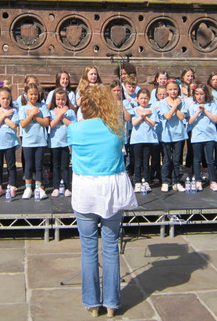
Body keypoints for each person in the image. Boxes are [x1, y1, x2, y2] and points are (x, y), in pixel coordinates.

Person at [68, 85, 137, 317]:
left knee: (88, 249)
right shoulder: (117, 128)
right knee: (110, 247)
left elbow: (73, 150)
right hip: (111, 189)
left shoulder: (75, 129)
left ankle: (92, 303)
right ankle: (111, 304)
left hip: (85, 189)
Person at [19, 83, 50, 199]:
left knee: (39, 165)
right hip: (28, 142)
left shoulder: (43, 107)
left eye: (35, 94)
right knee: (28, 165)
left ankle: (38, 186)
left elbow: (46, 122)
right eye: (31, 94)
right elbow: (23, 124)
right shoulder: (23, 108)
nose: (33, 97)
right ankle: (28, 188)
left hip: (40, 141)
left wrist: (35, 117)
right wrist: (31, 114)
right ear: (26, 95)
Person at [187, 83, 217, 191]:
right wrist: (198, 111)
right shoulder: (192, 106)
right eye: (197, 94)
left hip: (209, 136)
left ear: (206, 94)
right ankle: (197, 180)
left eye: (201, 94)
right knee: (197, 159)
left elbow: (215, 119)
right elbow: (190, 121)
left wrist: (205, 110)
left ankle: (213, 180)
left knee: (210, 159)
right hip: (197, 136)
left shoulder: (212, 105)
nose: (199, 97)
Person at [0, 86, 20, 197]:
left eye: (7, 99)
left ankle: (12, 185)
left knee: (11, 165)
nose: (5, 101)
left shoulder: (13, 111)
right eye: (3, 99)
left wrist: (5, 117)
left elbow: (13, 125)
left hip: (10, 143)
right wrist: (2, 115)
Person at [159, 79, 188, 192]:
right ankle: (166, 181)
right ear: (166, 90)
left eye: (175, 89)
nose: (173, 91)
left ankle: (176, 181)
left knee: (177, 160)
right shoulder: (162, 103)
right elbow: (167, 116)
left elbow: (181, 117)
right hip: (167, 135)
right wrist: (174, 106)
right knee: (167, 159)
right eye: (170, 89)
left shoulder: (182, 102)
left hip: (179, 134)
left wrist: (175, 106)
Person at [48, 87, 77, 196]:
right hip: (55, 143)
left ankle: (66, 187)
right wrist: (59, 114)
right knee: (55, 165)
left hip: (66, 143)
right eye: (58, 99)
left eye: (63, 99)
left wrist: (62, 116)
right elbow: (51, 124)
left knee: (65, 166)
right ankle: (55, 186)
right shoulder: (51, 112)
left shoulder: (70, 112)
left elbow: (72, 124)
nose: (60, 102)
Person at [129, 88, 158, 192]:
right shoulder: (134, 110)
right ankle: (137, 181)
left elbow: (152, 123)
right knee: (138, 161)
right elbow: (134, 123)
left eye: (145, 98)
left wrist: (145, 116)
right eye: (141, 98)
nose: (143, 100)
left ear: (149, 99)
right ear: (137, 99)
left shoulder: (152, 110)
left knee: (146, 161)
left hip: (148, 139)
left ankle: (145, 180)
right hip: (137, 140)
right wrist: (142, 115)